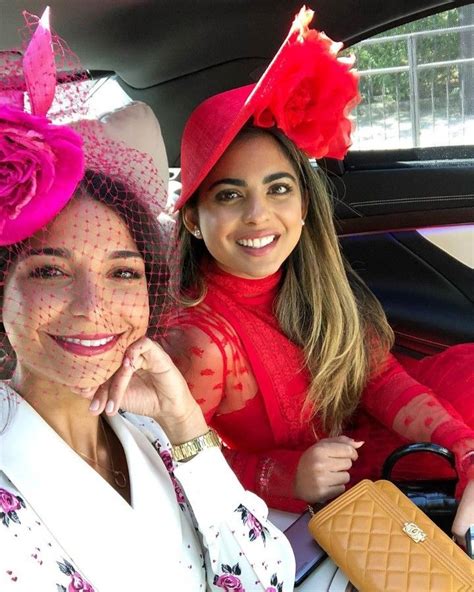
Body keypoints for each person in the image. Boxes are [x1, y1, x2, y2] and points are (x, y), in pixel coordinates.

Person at [0, 10, 295, 591]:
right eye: (51, 270)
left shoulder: (153, 430)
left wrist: (186, 422)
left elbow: (269, 576)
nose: (93, 306)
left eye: (124, 273)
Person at [168, 6, 474, 545]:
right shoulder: (200, 341)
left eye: (279, 188)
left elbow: (377, 378)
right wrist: (285, 476)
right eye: (230, 195)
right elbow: (177, 459)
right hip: (296, 501)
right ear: (194, 218)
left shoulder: (313, 285)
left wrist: (461, 446)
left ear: (305, 205)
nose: (259, 215)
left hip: (357, 445)